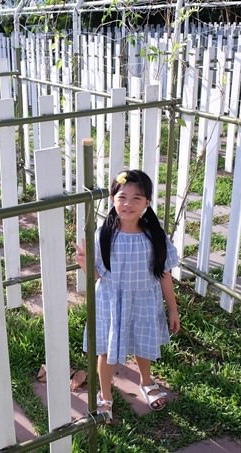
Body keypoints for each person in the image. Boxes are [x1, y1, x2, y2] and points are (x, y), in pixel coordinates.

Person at [75, 169, 180, 420]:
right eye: (122, 197)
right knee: (107, 351)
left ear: (147, 202)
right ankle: (105, 395)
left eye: (137, 198)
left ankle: (146, 381)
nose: (128, 204)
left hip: (145, 301)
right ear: (112, 199)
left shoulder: (154, 236)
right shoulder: (103, 234)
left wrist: (173, 308)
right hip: (111, 303)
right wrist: (84, 263)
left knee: (143, 345)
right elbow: (99, 275)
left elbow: (164, 274)